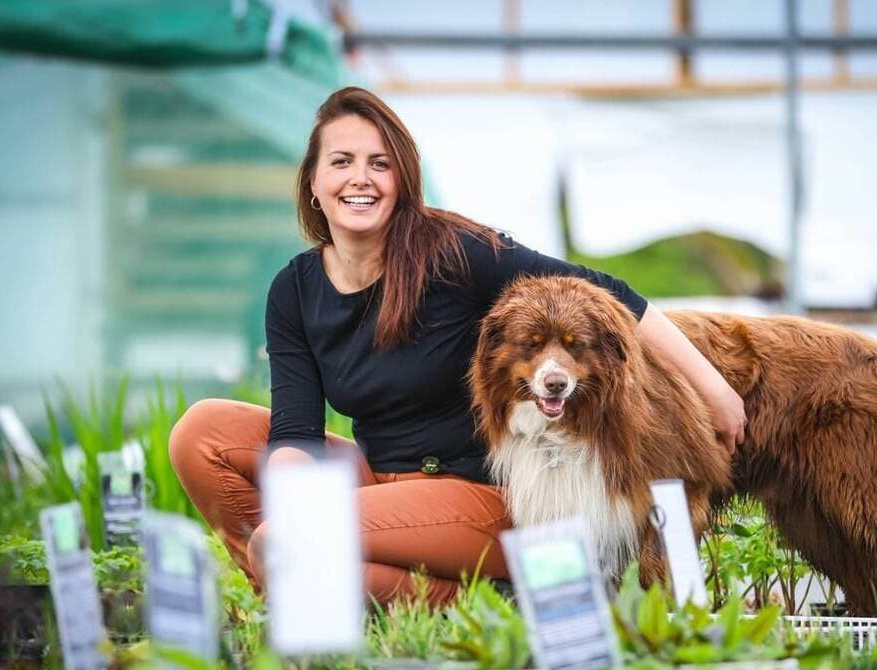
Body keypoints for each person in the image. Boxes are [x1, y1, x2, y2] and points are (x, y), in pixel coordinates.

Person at [168, 86, 747, 606]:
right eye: (341, 162)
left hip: (477, 495)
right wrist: (299, 511)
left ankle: (469, 591)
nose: (360, 179)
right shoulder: (294, 289)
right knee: (203, 432)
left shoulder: (453, 253)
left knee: (290, 542)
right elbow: (294, 432)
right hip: (376, 483)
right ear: (314, 183)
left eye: (380, 164)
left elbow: (609, 292)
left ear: (402, 182)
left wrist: (716, 391)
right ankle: (301, 583)